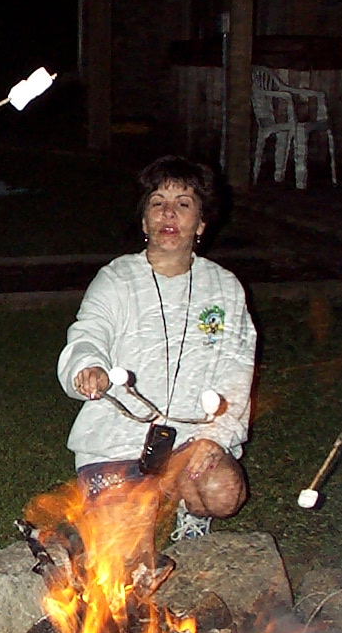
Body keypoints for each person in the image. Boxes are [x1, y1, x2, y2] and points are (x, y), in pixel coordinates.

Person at [57, 155, 256, 540]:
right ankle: (131, 502)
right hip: (116, 444)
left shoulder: (224, 288)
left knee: (223, 490)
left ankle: (188, 509)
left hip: (188, 443)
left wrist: (217, 436)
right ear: (145, 221)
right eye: (158, 203)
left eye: (183, 204)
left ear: (200, 223)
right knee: (122, 553)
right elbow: (88, 333)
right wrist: (88, 366)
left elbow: (237, 370)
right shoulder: (117, 279)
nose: (169, 214)